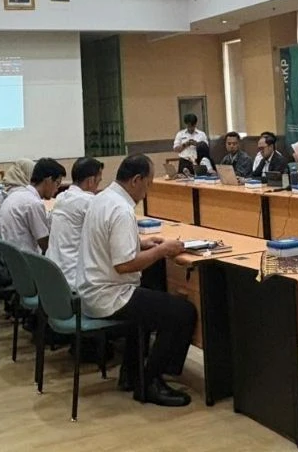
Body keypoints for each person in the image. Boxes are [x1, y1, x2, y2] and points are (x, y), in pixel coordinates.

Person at [79, 155, 196, 407]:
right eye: (148, 184)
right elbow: (124, 265)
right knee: (182, 313)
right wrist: (162, 250)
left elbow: (109, 244)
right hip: (110, 294)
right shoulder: (121, 210)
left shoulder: (102, 198)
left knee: (154, 297)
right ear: (136, 180)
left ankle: (132, 375)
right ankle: (150, 382)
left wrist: (141, 244)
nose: (147, 191)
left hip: (92, 288)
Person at [47, 158, 104, 289]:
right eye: (99, 181)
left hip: (53, 275)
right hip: (75, 280)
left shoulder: (61, 197)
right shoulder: (89, 202)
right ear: (91, 181)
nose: (98, 186)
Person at [0, 158, 65, 253]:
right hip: (26, 258)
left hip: (10, 257)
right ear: (48, 180)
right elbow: (45, 245)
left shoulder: (14, 196)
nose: (57, 189)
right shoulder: (34, 203)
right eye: (57, 183)